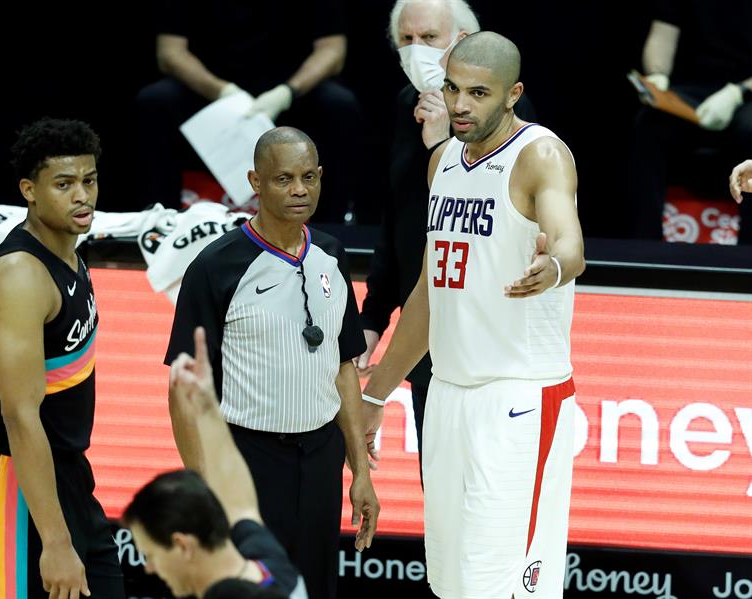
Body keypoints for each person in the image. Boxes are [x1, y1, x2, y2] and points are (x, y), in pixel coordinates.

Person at [361, 32, 585, 598]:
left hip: (520, 398)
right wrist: (374, 395)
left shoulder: (541, 154)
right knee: (452, 583)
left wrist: (554, 268)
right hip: (449, 395)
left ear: (513, 94)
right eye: (452, 89)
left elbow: (569, 244)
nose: (460, 105)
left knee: (507, 587)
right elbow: (428, 298)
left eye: (478, 93)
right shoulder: (443, 166)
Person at [165, 127, 379, 599]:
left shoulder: (332, 255)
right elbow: (183, 392)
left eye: (308, 177)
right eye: (283, 179)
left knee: (314, 587)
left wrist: (360, 471)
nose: (299, 189)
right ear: (255, 182)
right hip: (247, 458)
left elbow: (343, 367)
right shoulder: (216, 267)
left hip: (321, 459)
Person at [357, 0, 537, 478]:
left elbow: (483, 220)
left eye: (430, 39)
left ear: (461, 42)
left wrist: (443, 145)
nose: (416, 51)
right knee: (437, 486)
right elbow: (397, 223)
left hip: (486, 335)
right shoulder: (404, 105)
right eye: (407, 40)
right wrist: (372, 319)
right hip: (425, 322)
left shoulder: (510, 119)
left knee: (488, 490)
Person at [0, 118, 125, 598]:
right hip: (16, 484)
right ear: (29, 190)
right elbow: (19, 415)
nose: (82, 196)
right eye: (64, 184)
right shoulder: (19, 278)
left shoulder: (71, 253)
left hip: (66, 473)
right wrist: (54, 541)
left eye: (89, 181)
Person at [136, 0, 367, 223]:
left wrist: (287, 93)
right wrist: (223, 91)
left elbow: (332, 51)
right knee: (156, 101)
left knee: (340, 105)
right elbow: (170, 53)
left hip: (290, 93)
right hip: (209, 91)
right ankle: (161, 223)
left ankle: (331, 228)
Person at [124, 327, 304, 599]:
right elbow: (240, 505)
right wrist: (206, 405)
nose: (149, 568)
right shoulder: (267, 562)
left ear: (183, 545)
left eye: (151, 554)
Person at [628, 0, 752, 243]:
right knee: (648, 126)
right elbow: (663, 36)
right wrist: (657, 76)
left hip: (745, 92)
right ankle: (645, 246)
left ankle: (748, 252)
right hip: (692, 94)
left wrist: (738, 93)